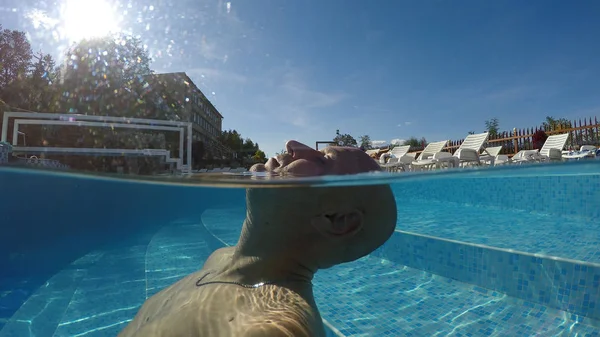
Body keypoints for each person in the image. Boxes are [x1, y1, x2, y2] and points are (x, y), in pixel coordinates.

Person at [118, 140, 397, 337]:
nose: (293, 145)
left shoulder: (274, 327)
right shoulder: (220, 258)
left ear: (337, 220)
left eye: (321, 159)